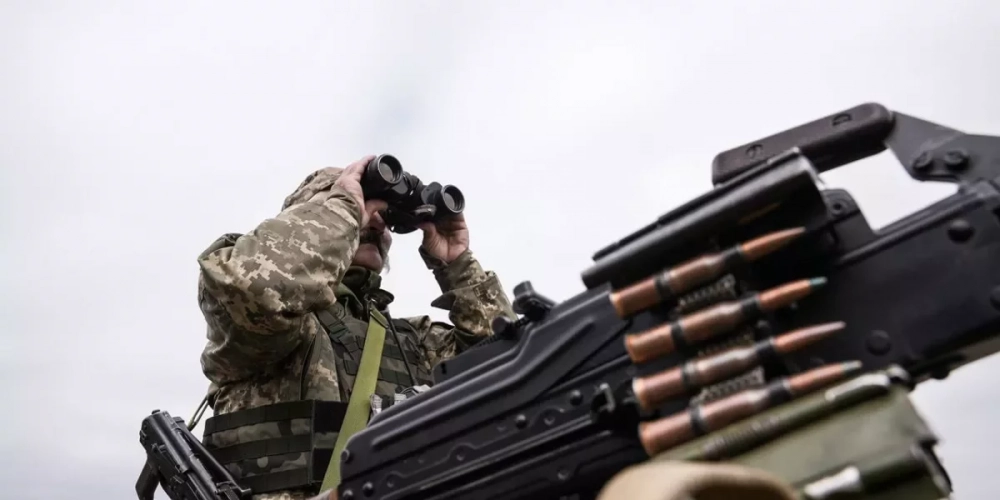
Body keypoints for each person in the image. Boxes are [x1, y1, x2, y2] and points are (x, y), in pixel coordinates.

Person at [194, 155, 515, 500]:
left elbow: (511, 372)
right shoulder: (277, 326)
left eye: (384, 215)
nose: (375, 221)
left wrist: (457, 264)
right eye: (361, 203)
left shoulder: (414, 342)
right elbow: (254, 288)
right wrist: (345, 208)